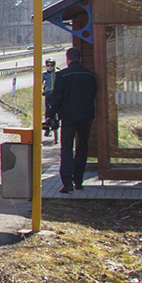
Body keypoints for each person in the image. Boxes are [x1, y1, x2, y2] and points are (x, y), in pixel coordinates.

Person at [46, 48, 98, 193]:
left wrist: (50, 115)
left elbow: (57, 98)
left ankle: (67, 182)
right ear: (80, 59)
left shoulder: (62, 75)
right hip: (86, 116)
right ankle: (79, 180)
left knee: (67, 148)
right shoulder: (90, 75)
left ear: (67, 59)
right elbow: (93, 94)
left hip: (68, 117)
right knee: (82, 147)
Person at [41, 58, 59, 144]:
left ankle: (56, 125)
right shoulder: (44, 75)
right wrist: (42, 91)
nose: (50, 67)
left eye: (52, 65)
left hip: (55, 94)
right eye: (48, 65)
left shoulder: (57, 73)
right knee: (47, 110)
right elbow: (40, 84)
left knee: (57, 110)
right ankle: (47, 127)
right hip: (48, 93)